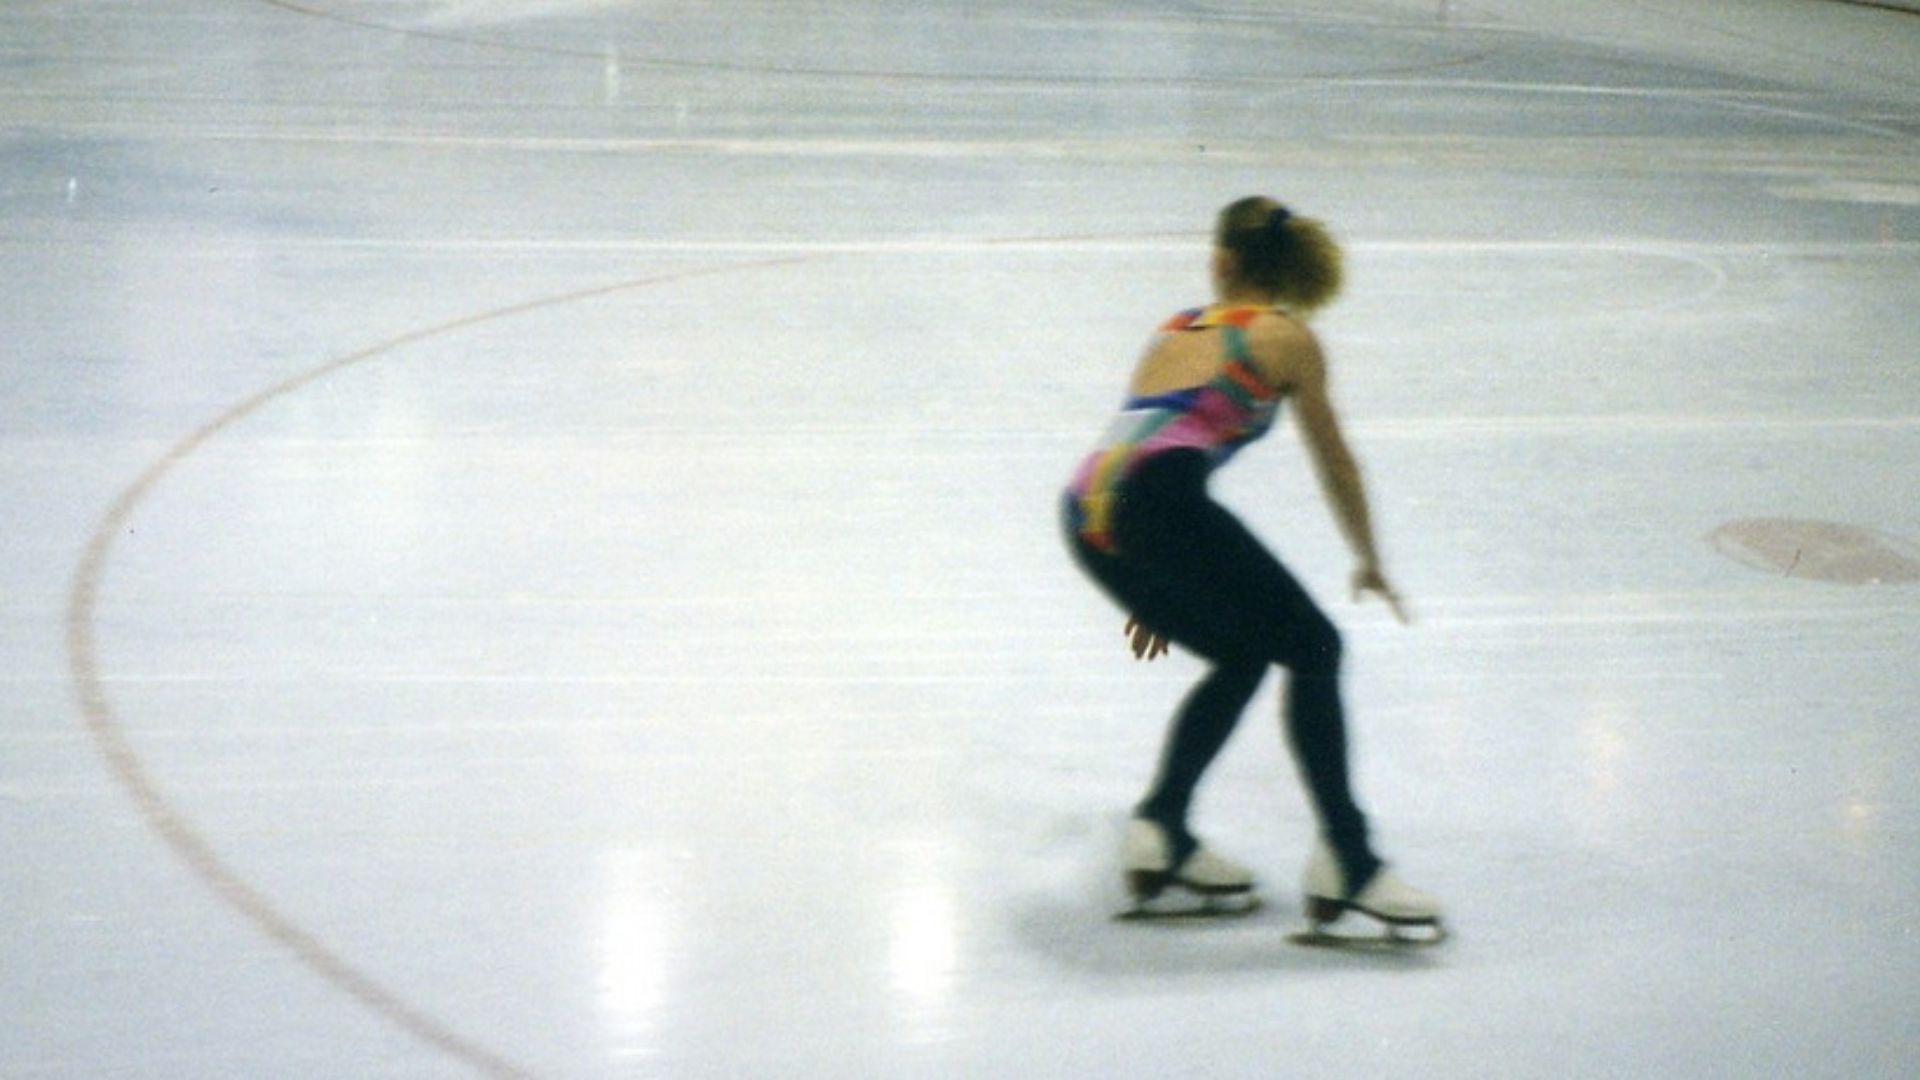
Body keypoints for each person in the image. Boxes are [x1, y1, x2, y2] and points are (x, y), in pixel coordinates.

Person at [1063, 196, 1441, 934]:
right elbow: (1335, 462)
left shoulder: (1176, 328)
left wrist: (1153, 563)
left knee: (1242, 656)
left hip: (1087, 511)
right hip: (1159, 502)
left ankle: (1161, 826)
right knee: (1316, 649)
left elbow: (1139, 440)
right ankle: (1350, 862)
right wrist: (1368, 558)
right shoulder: (1287, 338)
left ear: (1223, 261)